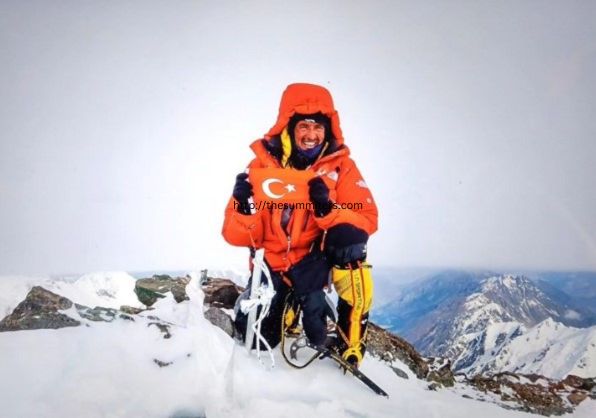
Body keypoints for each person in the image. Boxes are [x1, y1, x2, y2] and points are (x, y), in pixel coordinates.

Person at [222, 83, 378, 366]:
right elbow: (235, 235)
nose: (311, 135)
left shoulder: (341, 169)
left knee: (351, 240)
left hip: (315, 264)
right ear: (288, 127)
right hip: (273, 269)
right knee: (257, 337)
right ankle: (287, 306)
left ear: (329, 129)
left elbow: (367, 219)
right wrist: (243, 207)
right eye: (304, 126)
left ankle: (351, 339)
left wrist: (328, 210)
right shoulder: (260, 167)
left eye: (318, 127)